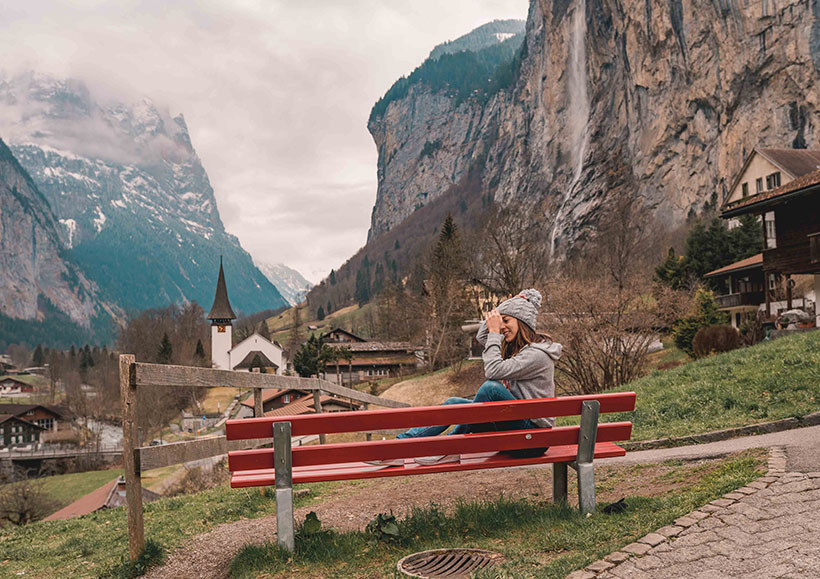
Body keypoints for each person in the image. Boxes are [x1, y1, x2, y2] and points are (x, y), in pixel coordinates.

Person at [369, 288, 562, 467]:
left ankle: (451, 446)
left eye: (506, 321)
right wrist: (500, 311)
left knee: (490, 389)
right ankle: (396, 448)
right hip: (514, 430)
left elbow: (493, 371)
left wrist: (496, 329)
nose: (501, 327)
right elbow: (482, 335)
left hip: (532, 439)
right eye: (500, 321)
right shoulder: (519, 350)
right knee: (454, 403)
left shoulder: (537, 355)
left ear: (523, 323)